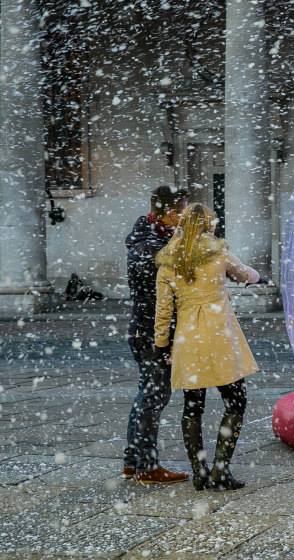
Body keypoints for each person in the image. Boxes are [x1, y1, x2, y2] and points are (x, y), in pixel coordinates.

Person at [154, 203, 262, 491]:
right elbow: (243, 273)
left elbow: (163, 311)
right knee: (235, 400)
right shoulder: (218, 252)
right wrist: (256, 276)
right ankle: (221, 469)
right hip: (219, 336)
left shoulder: (168, 262)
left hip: (188, 338)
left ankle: (199, 470)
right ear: (206, 225)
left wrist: (161, 344)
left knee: (193, 405)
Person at [123, 186, 190, 485]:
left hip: (149, 330)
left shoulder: (156, 240)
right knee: (153, 397)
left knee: (147, 394)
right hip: (151, 332)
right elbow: (157, 295)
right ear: (170, 213)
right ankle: (147, 466)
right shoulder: (148, 246)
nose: (186, 217)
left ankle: (132, 461)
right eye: (183, 211)